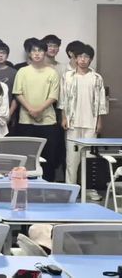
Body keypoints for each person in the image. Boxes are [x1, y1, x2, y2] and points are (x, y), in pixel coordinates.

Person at [59, 44, 108, 199]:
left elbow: (101, 103)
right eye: (80, 56)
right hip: (73, 124)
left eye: (86, 57)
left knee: (89, 159)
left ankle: (89, 190)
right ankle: (70, 191)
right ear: (75, 58)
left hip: (90, 124)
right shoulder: (67, 76)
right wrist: (64, 118)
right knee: (71, 160)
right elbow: (63, 99)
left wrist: (99, 121)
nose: (83, 60)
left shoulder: (97, 78)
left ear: (91, 59)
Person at [12, 38, 60, 181]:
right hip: (26, 121)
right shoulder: (22, 71)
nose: (37, 53)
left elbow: (54, 96)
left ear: (45, 53)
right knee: (26, 157)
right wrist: (31, 110)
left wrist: (39, 110)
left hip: (47, 121)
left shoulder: (52, 72)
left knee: (48, 157)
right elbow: (18, 93)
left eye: (40, 50)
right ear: (29, 53)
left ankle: (47, 186)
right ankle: (26, 187)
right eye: (34, 51)